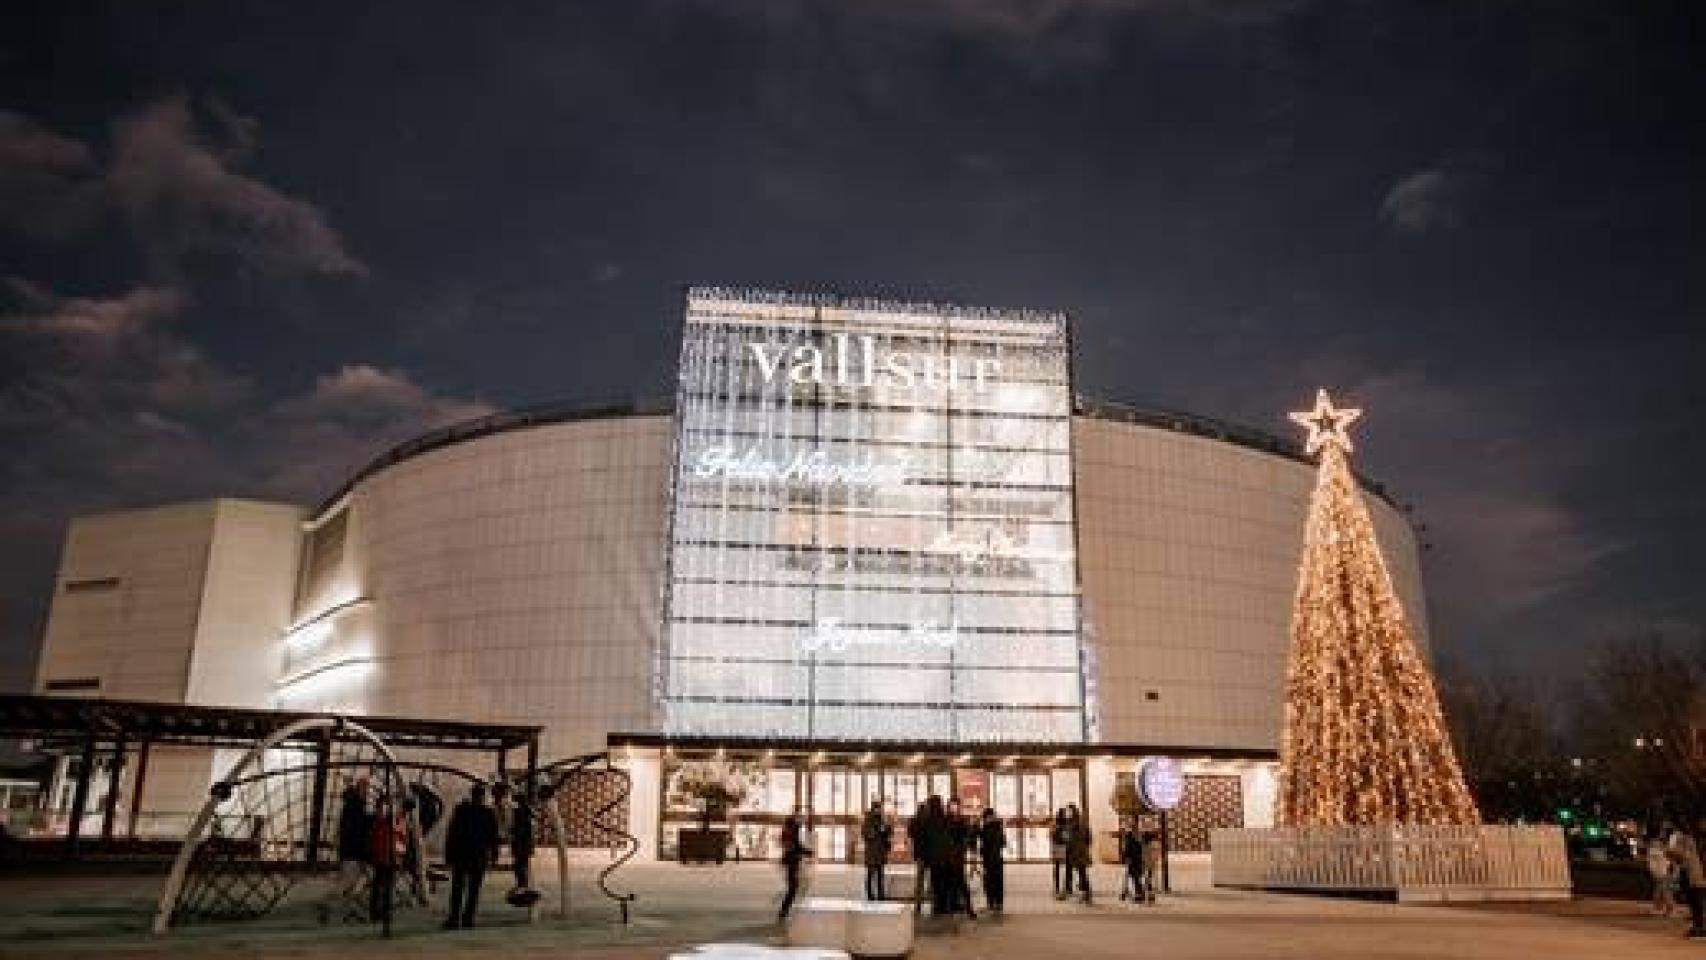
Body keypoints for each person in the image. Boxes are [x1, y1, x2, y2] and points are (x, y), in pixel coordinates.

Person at [444, 782, 500, 930]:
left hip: (463, 855)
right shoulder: (487, 813)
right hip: (477, 856)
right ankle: (467, 918)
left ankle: (455, 918)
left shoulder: (462, 810)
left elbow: (452, 834)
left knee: (459, 888)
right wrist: (494, 856)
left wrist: (448, 855)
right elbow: (493, 838)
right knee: (472, 890)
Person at [319, 776, 372, 924]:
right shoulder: (356, 806)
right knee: (347, 882)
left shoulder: (353, 805)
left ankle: (350, 909)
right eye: (365, 787)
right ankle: (327, 904)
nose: (367, 791)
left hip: (351, 851)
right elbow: (357, 831)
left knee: (356, 881)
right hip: (353, 851)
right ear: (360, 788)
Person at [368, 794, 407, 926]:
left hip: (389, 855)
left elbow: (401, 838)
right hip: (383, 855)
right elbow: (378, 837)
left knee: (386, 885)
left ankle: (383, 911)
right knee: (380, 884)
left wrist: (399, 854)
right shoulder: (381, 820)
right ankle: (378, 911)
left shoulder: (395, 820)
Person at [778, 806, 811, 923]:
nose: (802, 820)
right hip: (792, 860)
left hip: (791, 860)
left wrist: (805, 851)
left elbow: (793, 845)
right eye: (800, 817)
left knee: (794, 886)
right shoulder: (792, 830)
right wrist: (806, 852)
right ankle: (784, 911)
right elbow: (794, 846)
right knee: (793, 887)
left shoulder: (789, 829)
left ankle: (784, 911)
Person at [945, 799, 977, 919]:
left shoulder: (962, 821)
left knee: (960, 882)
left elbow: (968, 836)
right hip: (950, 856)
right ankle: (953, 906)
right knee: (952, 883)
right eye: (952, 806)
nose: (954, 808)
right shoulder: (947, 820)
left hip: (957, 856)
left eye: (956, 806)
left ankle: (968, 908)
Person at [861, 799, 893, 901]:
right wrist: (877, 830)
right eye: (877, 808)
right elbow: (866, 834)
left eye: (879, 808)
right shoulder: (868, 820)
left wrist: (887, 829)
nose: (878, 810)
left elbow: (888, 833)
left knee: (880, 874)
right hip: (872, 851)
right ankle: (870, 894)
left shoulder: (882, 819)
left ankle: (880, 893)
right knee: (870, 873)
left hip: (880, 851)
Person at [977, 807, 1007, 913]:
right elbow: (1003, 843)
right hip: (997, 858)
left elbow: (984, 841)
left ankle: (991, 903)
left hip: (989, 858)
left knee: (989, 881)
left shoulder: (987, 828)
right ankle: (998, 903)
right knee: (997, 881)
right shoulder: (998, 827)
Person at [1065, 803, 1093, 904]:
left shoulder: (1072, 824)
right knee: (1082, 872)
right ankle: (1085, 893)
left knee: (1080, 872)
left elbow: (1068, 838)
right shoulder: (1083, 823)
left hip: (1075, 851)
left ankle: (1084, 892)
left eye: (1068, 811)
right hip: (1081, 851)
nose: (1067, 813)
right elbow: (1089, 838)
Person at [1650, 822, 1678, 917]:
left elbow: (1670, 856)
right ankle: (1662, 907)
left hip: (1665, 869)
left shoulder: (1670, 842)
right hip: (1661, 869)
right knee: (1662, 888)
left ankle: (1667, 908)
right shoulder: (1657, 844)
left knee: (1664, 889)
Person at [510, 793, 536, 891]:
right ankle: (523, 883)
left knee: (519, 864)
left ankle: (522, 883)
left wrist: (513, 831)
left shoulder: (518, 812)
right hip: (524, 842)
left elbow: (517, 828)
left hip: (520, 842)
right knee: (523, 863)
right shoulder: (528, 812)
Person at [1118, 818, 1142, 903]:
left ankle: (1130, 893)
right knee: (1133, 876)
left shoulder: (1130, 836)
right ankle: (1132, 892)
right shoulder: (1137, 836)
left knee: (1132, 876)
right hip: (1135, 859)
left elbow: (1127, 848)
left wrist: (1125, 857)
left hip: (1132, 859)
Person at [1050, 808, 1070, 901]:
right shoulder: (1065, 825)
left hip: (1056, 847)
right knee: (1067, 867)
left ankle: (1057, 887)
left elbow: (1051, 835)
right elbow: (1066, 837)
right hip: (1064, 847)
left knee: (1057, 867)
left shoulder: (1055, 824)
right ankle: (1066, 887)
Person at [1141, 829, 1165, 903]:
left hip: (1148, 861)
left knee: (1149, 875)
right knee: (1150, 875)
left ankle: (1149, 891)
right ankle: (1150, 891)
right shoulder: (1155, 844)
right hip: (1150, 861)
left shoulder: (1148, 845)